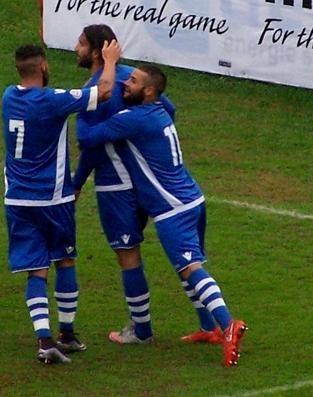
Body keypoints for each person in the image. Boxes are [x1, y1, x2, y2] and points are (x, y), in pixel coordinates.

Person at [76, 64, 248, 367]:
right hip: (193, 199)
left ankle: (227, 324)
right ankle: (208, 328)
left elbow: (88, 137)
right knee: (187, 267)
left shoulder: (133, 120)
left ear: (150, 91)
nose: (124, 84)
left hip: (172, 209)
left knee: (190, 269)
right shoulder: (160, 112)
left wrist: (82, 107)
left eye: (133, 81)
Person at [70, 25, 218, 346]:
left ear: (97, 51)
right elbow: (168, 107)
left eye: (81, 43)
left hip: (115, 184)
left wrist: (77, 182)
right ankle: (209, 325)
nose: (76, 48)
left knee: (128, 254)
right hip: (148, 183)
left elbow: (90, 144)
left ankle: (142, 329)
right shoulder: (132, 77)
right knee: (183, 260)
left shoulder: (98, 89)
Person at [0, 41, 121, 364]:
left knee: (36, 271)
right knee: (64, 261)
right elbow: (105, 91)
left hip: (18, 200)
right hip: (53, 199)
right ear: (43, 67)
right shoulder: (53, 101)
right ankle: (66, 333)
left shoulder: (9, 97)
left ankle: (44, 340)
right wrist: (109, 61)